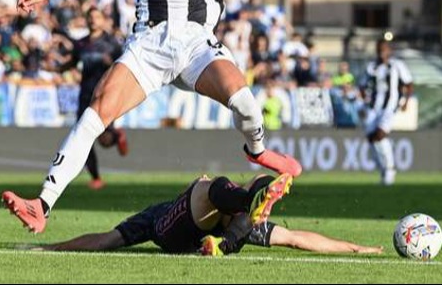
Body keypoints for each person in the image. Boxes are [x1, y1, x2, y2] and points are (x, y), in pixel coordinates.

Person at [2, 0, 339, 233]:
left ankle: (257, 152)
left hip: (196, 45)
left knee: (244, 100)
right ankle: (42, 203)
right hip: (150, 46)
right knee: (96, 112)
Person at [40, 174, 382, 257]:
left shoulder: (242, 219)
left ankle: (238, 220)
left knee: (211, 186)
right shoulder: (153, 216)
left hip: (194, 225)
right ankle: (235, 227)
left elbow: (103, 240)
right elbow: (297, 239)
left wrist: (357, 249)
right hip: (175, 225)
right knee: (210, 187)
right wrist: (51, 249)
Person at [65, 8, 128, 190]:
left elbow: (124, 66)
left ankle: (116, 136)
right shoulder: (81, 44)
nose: (93, 20)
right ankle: (96, 177)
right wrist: (57, 67)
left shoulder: (112, 43)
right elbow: (72, 62)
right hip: (85, 94)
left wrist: (113, 65)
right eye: (90, 17)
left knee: (104, 140)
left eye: (97, 17)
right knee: (81, 136)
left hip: (104, 94)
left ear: (102, 20)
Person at [359, 39, 414, 186]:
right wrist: (364, 104)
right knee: (371, 138)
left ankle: (390, 169)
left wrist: (406, 102)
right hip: (373, 108)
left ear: (389, 50)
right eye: (379, 50)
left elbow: (409, 84)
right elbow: (362, 86)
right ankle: (383, 169)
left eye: (384, 49)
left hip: (390, 107)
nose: (381, 52)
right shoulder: (371, 67)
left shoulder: (397, 65)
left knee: (380, 134)